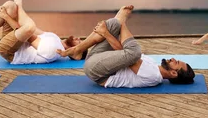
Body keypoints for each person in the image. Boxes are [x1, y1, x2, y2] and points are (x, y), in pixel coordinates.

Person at [58, 5, 195, 88]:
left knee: (134, 51)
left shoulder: (153, 76)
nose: (172, 59)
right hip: (101, 59)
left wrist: (108, 32)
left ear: (173, 73)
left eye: (175, 62)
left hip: (97, 72)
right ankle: (78, 50)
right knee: (113, 24)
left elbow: (127, 54)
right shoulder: (152, 63)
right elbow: (123, 53)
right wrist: (115, 26)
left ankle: (120, 20)